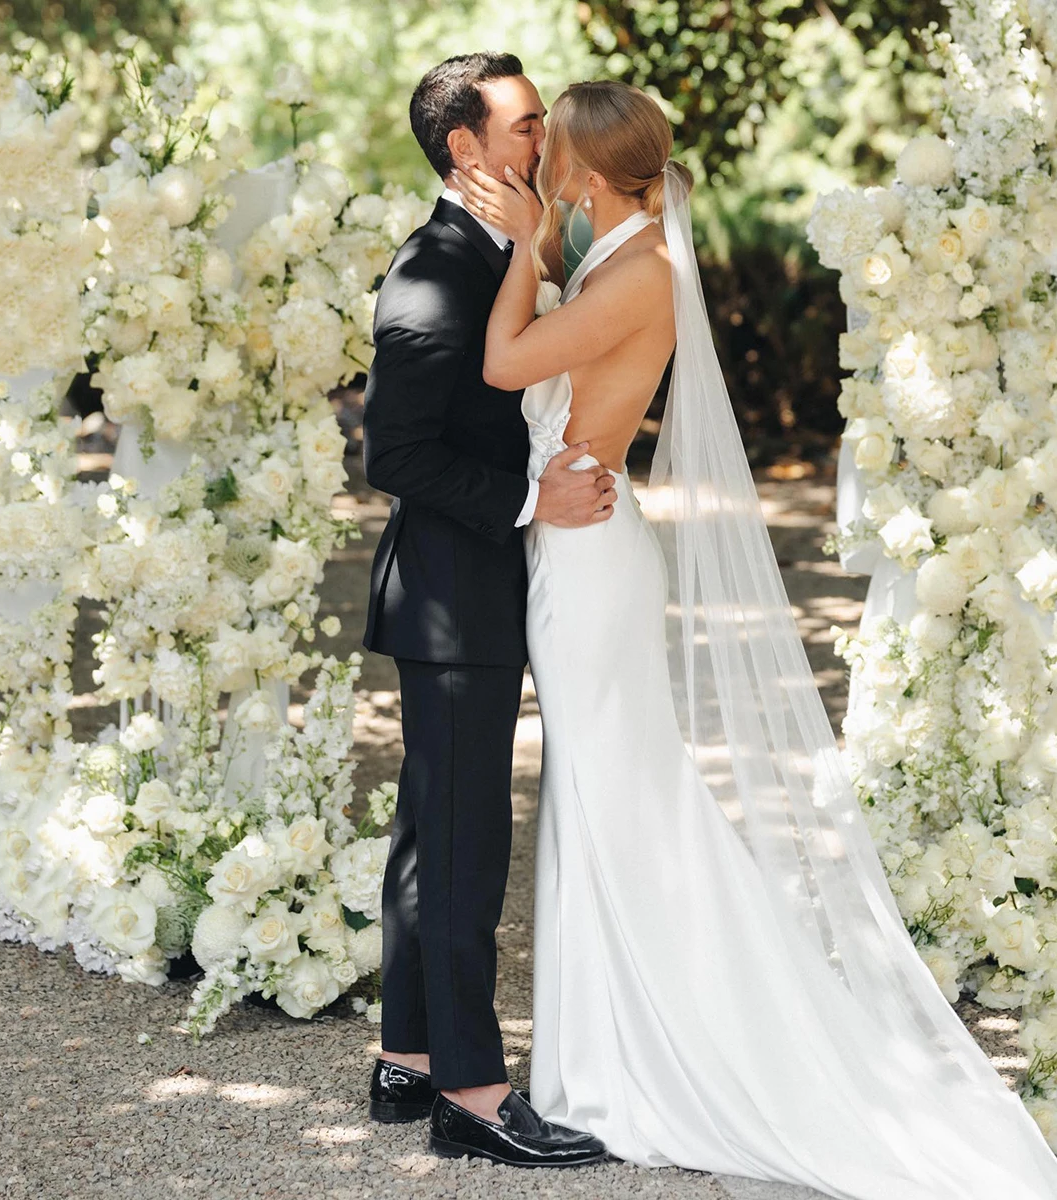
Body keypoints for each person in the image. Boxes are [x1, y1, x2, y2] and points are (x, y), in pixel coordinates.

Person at [446, 79, 1057, 1196]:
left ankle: (645, 1059)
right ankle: (600, 1050)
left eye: (553, 159)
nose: (537, 166)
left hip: (590, 554)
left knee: (614, 797)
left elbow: (508, 367)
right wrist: (544, 254)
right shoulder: (619, 255)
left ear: (587, 179)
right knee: (598, 799)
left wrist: (521, 249)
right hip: (579, 535)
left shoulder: (639, 271)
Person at [359, 53, 613, 1168]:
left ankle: (409, 1058)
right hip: (455, 602)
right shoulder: (433, 270)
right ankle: (472, 1090)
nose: (538, 141)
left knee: (432, 832)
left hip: (468, 595)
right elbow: (393, 452)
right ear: (465, 148)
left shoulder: (498, 251)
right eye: (520, 126)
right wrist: (528, 497)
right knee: (465, 845)